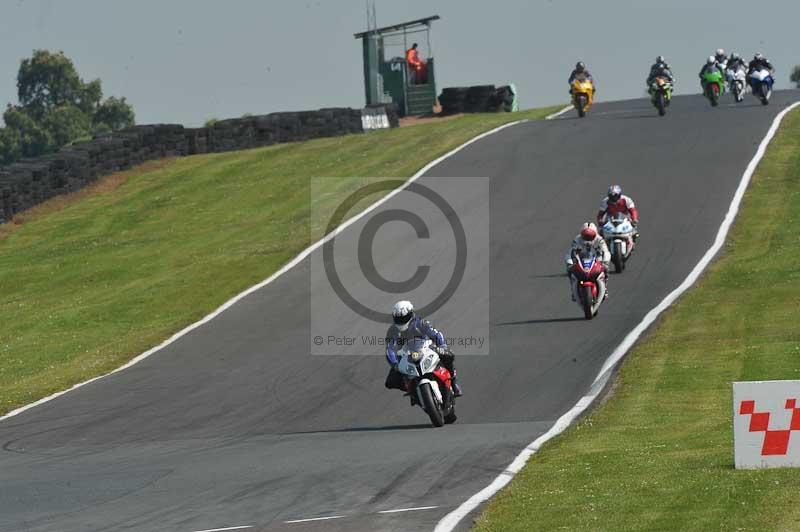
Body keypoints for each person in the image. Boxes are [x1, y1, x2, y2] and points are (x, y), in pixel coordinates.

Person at [385, 300, 462, 397]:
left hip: (426, 349)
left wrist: (442, 346)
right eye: (398, 318)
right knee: (390, 381)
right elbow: (389, 350)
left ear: (411, 314)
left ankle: (454, 382)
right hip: (406, 355)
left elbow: (436, 334)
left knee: (448, 356)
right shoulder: (393, 331)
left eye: (404, 318)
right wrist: (395, 364)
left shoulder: (420, 323)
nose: (401, 321)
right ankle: (412, 389)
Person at [565, 223, 611, 301]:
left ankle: (605, 288)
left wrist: (605, 262)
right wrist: (570, 263)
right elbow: (570, 252)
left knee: (605, 270)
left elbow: (606, 251)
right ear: (582, 234)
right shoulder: (577, 239)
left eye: (590, 236)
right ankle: (573, 290)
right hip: (582, 259)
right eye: (585, 236)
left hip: (597, 259)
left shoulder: (599, 239)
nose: (588, 239)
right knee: (571, 272)